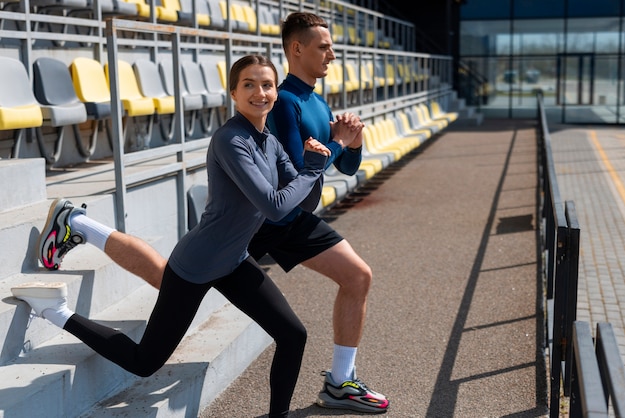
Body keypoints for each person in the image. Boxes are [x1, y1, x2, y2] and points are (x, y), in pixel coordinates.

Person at [12, 55, 330, 418]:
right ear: (233, 93)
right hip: (195, 265)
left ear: (275, 91)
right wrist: (311, 169)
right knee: (144, 361)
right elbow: (275, 206)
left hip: (234, 260)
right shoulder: (230, 140)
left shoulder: (269, 141)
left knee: (292, 334)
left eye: (267, 85)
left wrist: (314, 168)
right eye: (249, 84)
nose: (260, 92)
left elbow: (304, 202)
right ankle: (56, 312)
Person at [248, 11, 389, 414]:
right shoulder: (283, 102)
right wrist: (339, 143)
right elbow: (298, 170)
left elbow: (343, 168)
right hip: (262, 221)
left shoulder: (316, 98)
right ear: (296, 49)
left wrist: (354, 142)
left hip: (292, 221)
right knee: (180, 285)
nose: (332, 53)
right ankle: (84, 227)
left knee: (358, 276)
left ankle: (341, 382)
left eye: (331, 46)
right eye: (323, 46)